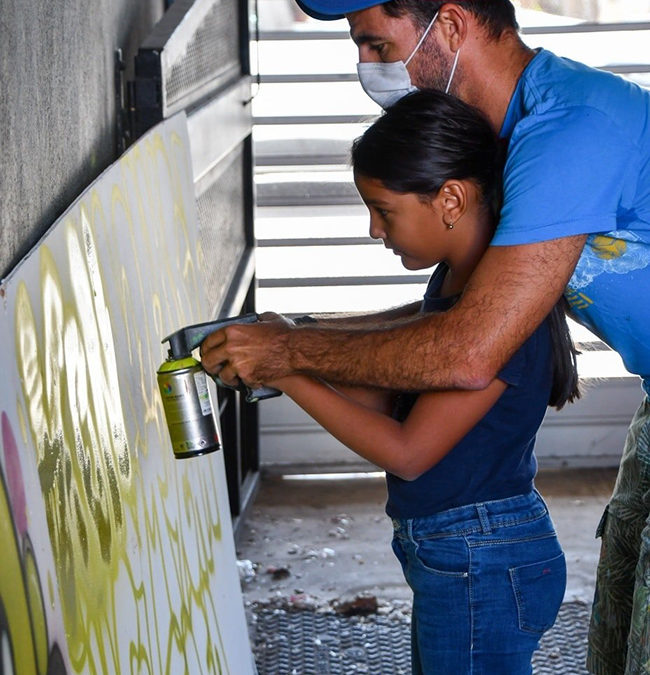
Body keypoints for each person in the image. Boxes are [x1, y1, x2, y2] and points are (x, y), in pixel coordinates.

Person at [200, 2, 650, 672]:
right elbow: (444, 318)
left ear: (449, 26)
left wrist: (288, 356)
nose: (370, 68)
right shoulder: (502, 145)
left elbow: (466, 349)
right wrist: (296, 336)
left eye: (379, 46)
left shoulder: (568, 132)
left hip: (485, 549)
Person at [268, 88, 579, 674]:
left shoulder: (494, 321)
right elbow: (387, 394)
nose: (373, 230)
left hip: (482, 557)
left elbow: (409, 453)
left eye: (384, 211)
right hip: (461, 552)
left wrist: (287, 370)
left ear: (451, 200)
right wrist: (294, 347)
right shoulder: (455, 281)